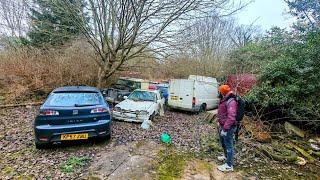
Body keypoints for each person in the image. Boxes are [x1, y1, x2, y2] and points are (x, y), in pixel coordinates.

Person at [216, 84, 237, 172]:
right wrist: (219, 122)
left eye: (220, 91)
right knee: (223, 143)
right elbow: (222, 113)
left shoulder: (231, 101)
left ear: (222, 92)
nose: (219, 93)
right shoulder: (225, 99)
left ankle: (229, 165)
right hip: (223, 126)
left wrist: (225, 129)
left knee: (229, 145)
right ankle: (225, 156)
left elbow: (231, 117)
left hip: (228, 128)